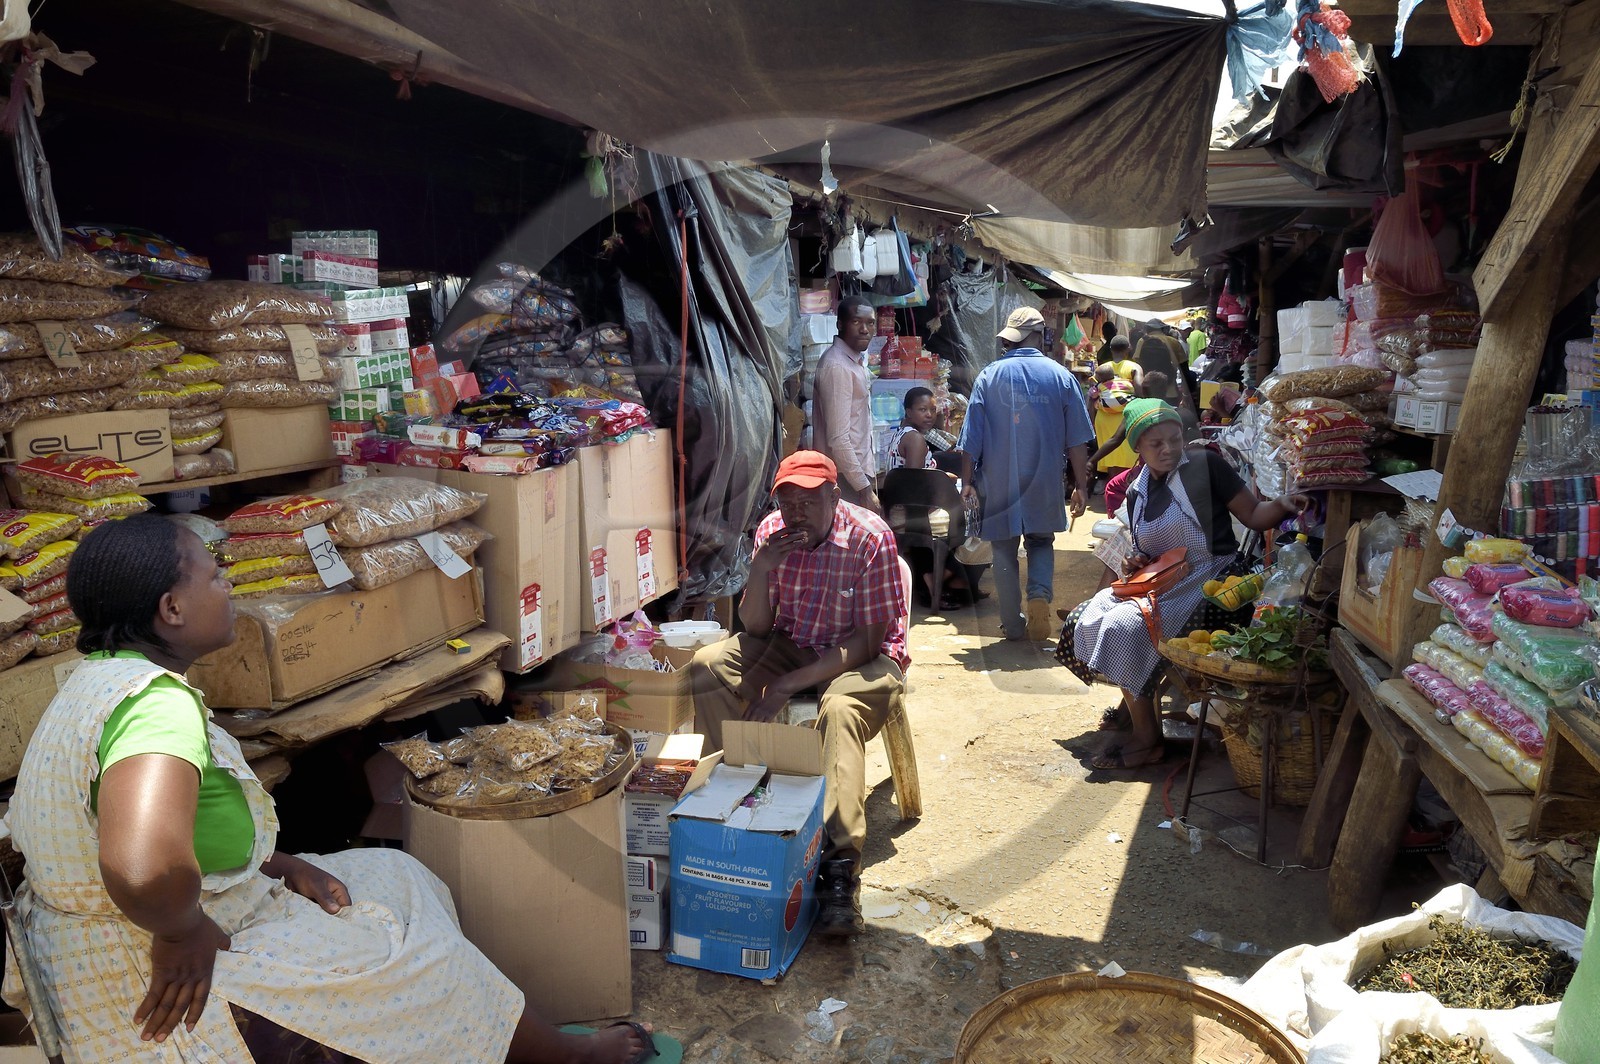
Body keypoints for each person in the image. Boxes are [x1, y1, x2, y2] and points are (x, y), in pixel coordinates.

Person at [1, 515, 650, 1064]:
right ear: (172, 610)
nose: (229, 587)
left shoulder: (93, 681)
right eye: (216, 576)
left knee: (397, 874)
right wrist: (180, 933)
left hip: (103, 944)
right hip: (151, 975)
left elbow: (172, 836)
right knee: (423, 964)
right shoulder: (155, 708)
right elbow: (142, 867)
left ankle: (482, 1032)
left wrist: (280, 865)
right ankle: (558, 1054)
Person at [687, 451, 907, 938]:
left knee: (841, 708)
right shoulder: (771, 533)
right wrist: (762, 569)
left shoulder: (870, 537)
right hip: (792, 643)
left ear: (835, 496)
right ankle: (734, 798)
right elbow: (756, 629)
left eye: (808, 502)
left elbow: (868, 641)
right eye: (787, 503)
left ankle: (839, 868)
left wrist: (785, 685)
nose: (796, 514)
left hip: (862, 656)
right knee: (708, 667)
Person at [1061, 400, 1311, 769]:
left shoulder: (1205, 466)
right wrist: (1135, 561)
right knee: (1087, 614)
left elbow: (1256, 516)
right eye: (1156, 444)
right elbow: (1144, 550)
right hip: (1163, 582)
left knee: (1124, 628)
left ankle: (1147, 739)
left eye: (1174, 440)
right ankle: (1135, 710)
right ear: (1138, 447)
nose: (1168, 450)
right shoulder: (1137, 489)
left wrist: (1283, 504)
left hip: (1213, 582)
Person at [958, 306, 1095, 642]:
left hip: (998, 480)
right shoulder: (1061, 376)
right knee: (1041, 541)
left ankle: (1012, 623)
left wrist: (967, 482)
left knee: (1003, 549)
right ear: (1040, 335)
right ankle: (1038, 595)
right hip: (1045, 479)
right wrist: (1081, 485)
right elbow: (1077, 441)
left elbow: (970, 439)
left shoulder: (989, 375)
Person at [812, 294, 881, 512]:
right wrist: (864, 489)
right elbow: (838, 438)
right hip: (845, 477)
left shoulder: (854, 363)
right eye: (856, 322)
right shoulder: (838, 366)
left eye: (870, 323)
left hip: (854, 474)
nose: (865, 330)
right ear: (840, 324)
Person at [885, 386, 938, 471]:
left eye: (933, 410)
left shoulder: (901, 433)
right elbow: (914, 477)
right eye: (923, 409)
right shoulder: (914, 438)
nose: (929, 415)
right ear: (909, 412)